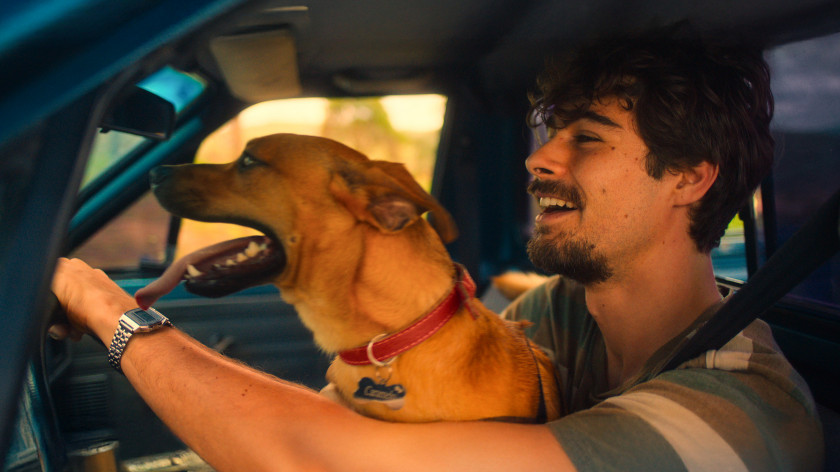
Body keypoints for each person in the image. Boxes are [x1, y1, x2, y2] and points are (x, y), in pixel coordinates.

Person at [51, 26, 823, 471]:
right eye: (549, 135)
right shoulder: (564, 313)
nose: (539, 159)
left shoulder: (732, 419)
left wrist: (110, 310)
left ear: (689, 178)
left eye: (586, 138)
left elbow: (322, 460)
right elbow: (376, 402)